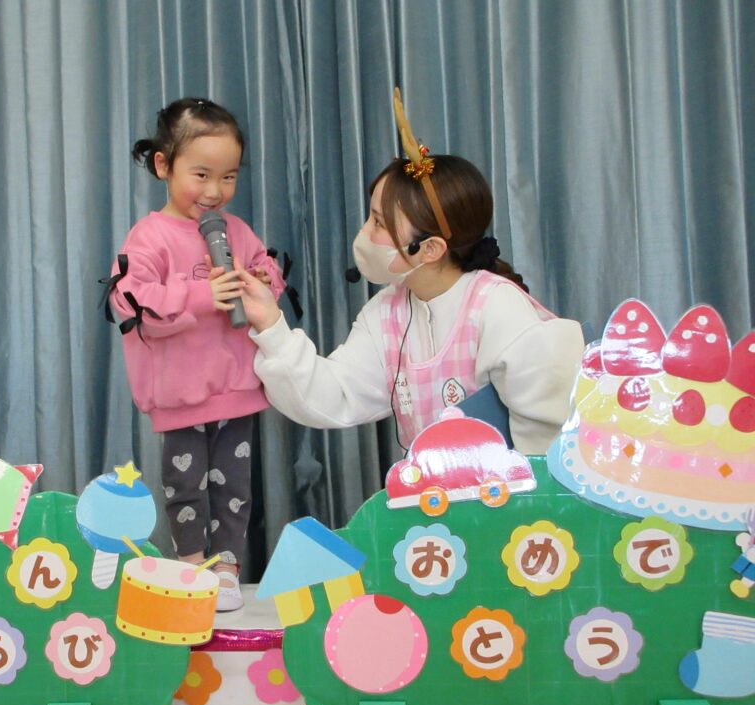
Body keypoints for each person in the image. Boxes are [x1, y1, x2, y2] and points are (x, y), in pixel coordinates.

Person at [236, 91, 583, 456]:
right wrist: (271, 325)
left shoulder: (497, 307)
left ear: (430, 249)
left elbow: (548, 439)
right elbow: (334, 396)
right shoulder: (387, 313)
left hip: (510, 491)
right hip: (431, 490)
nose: (365, 233)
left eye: (379, 223)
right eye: (370, 217)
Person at [107, 97, 285, 611]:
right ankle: (192, 566)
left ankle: (227, 567)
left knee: (235, 486)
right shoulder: (148, 237)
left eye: (228, 177)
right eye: (201, 175)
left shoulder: (236, 231)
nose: (214, 192)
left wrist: (262, 278)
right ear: (164, 166)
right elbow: (130, 302)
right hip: (180, 395)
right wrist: (202, 296)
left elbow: (269, 275)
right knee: (185, 485)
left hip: (237, 389)